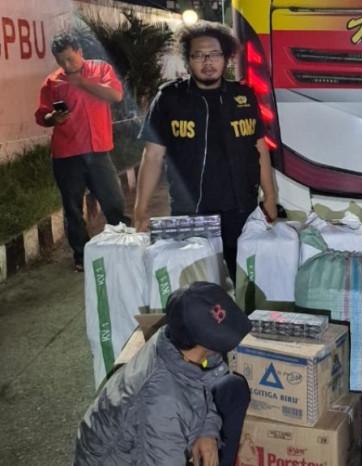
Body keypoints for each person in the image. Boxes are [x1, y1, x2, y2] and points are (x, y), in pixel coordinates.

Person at [134, 22, 278, 280]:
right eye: (198, 55)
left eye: (214, 54)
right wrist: (140, 209)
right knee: (197, 284)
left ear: (226, 57)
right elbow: (153, 156)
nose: (207, 62)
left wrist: (270, 196)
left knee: (245, 281)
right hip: (191, 212)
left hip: (240, 210)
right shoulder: (169, 99)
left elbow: (260, 149)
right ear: (188, 60)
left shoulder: (243, 97)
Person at [74, 281, 252, 466]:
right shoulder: (162, 402)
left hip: (159, 437)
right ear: (203, 342)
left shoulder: (175, 342)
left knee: (233, 388)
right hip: (132, 458)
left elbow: (201, 385)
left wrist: (207, 431)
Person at [34, 32, 129, 272]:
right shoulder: (52, 82)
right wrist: (52, 117)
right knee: (73, 209)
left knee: (113, 201)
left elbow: (116, 95)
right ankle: (81, 256)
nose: (66, 65)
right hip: (66, 154)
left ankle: (124, 246)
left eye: (70, 59)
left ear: (79, 51)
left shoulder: (101, 69)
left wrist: (82, 83)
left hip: (98, 152)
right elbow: (42, 115)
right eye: (61, 61)